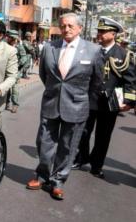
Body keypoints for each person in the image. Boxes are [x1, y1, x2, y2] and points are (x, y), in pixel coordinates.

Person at [26, 13, 103, 201]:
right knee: (44, 142)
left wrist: (81, 98)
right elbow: (45, 75)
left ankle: (58, 181)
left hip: (77, 105)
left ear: (79, 28)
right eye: (62, 26)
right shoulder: (49, 48)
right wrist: (55, 92)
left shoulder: (93, 50)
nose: (66, 29)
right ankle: (42, 175)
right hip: (51, 102)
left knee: (68, 147)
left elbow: (97, 81)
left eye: (70, 26)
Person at [73, 16, 136, 178]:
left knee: (103, 136)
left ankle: (96, 165)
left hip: (110, 103)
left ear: (113, 34)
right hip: (89, 99)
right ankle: (81, 159)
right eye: (98, 31)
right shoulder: (91, 51)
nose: (99, 34)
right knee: (83, 132)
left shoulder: (124, 54)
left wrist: (128, 102)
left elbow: (131, 81)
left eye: (103, 31)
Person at [5, 30, 27, 114]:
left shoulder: (19, 47)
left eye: (9, 37)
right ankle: (6, 103)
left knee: (14, 89)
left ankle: (15, 104)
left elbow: (24, 58)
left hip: (15, 71)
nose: (8, 38)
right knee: (6, 88)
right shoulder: (5, 46)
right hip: (6, 70)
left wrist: (17, 65)